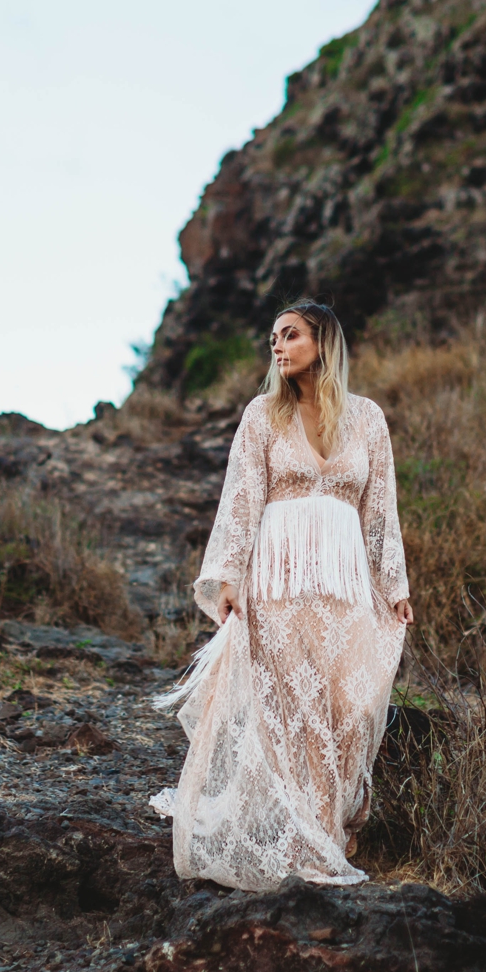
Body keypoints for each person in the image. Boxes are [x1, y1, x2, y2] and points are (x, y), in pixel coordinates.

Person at [150, 300, 413, 889]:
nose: (278, 345)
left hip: (345, 587)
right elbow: (240, 501)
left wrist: (393, 586)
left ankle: (333, 827)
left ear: (323, 342)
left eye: (290, 335)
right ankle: (315, 843)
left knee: (350, 708)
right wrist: (230, 581)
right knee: (294, 714)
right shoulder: (262, 415)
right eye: (273, 337)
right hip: (280, 583)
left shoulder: (368, 419)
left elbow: (381, 511)